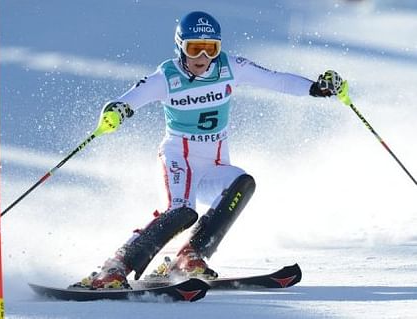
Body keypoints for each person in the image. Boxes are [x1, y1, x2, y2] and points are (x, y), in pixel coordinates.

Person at [78, 11, 344, 289]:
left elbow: (277, 80)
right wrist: (116, 112)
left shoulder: (230, 67)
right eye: (194, 48)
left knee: (242, 182)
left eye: (211, 49)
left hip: (214, 165)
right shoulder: (167, 76)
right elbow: (130, 99)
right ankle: (114, 267)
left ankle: (190, 256)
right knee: (182, 211)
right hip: (179, 160)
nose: (202, 57)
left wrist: (316, 88)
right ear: (180, 47)